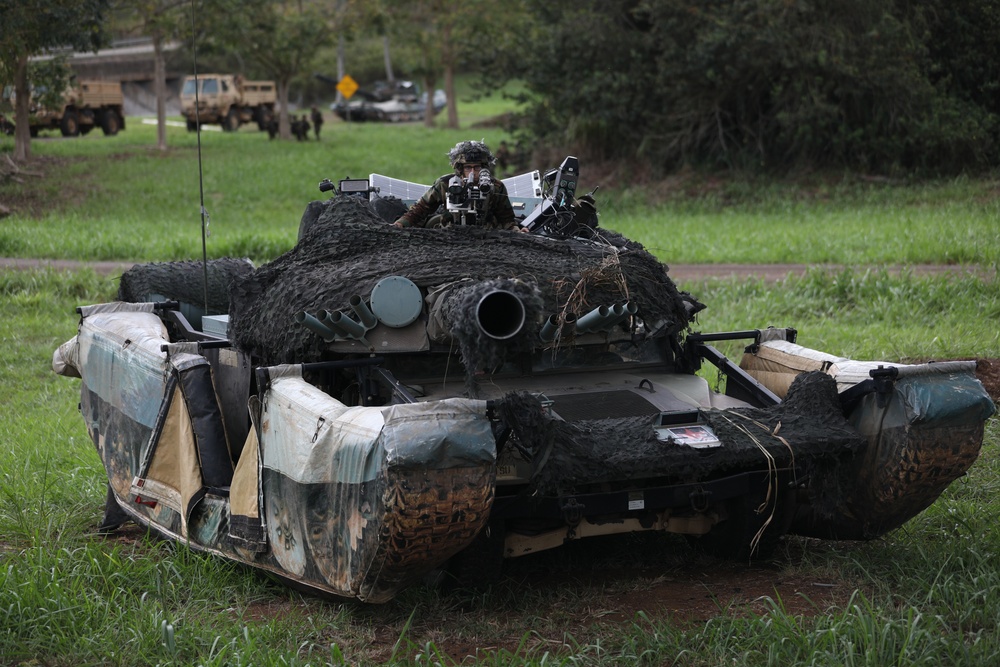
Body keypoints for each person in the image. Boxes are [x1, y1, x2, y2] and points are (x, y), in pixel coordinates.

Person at [394, 140, 521, 231]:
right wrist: (401, 224)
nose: (472, 172)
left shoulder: (496, 186)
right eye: (468, 168)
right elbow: (421, 209)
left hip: (486, 234)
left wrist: (516, 229)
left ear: (484, 168)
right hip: (449, 232)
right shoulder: (445, 184)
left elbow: (506, 218)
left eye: (477, 167)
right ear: (460, 168)